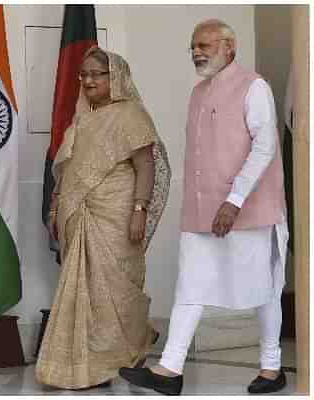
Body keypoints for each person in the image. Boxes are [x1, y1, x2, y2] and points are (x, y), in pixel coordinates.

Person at [119, 19, 288, 395]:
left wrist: (234, 200)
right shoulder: (198, 92)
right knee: (189, 287)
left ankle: (272, 369)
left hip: (247, 210)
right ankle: (170, 370)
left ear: (230, 47)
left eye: (205, 45)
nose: (197, 52)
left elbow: (265, 146)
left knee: (264, 289)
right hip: (201, 212)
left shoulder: (253, 86)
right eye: (193, 46)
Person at [35, 46, 171, 390]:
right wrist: (56, 206)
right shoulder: (83, 117)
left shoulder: (131, 116)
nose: (88, 80)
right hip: (79, 212)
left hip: (118, 212)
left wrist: (139, 210)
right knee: (85, 289)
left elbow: (146, 166)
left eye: (97, 73)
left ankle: (127, 347)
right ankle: (87, 362)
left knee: (116, 286)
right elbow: (69, 169)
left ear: (117, 78)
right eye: (84, 74)